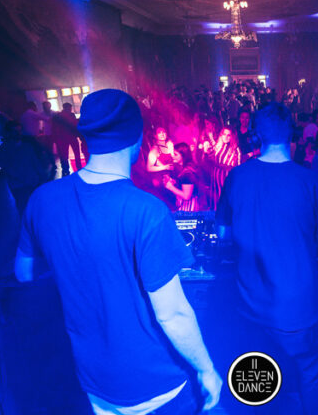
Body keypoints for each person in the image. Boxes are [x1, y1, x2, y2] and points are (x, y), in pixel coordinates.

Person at [14, 89, 222, 415]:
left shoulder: (42, 199)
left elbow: (24, 274)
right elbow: (173, 314)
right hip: (158, 387)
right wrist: (207, 369)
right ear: (138, 139)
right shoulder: (147, 211)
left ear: (85, 138)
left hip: (94, 383)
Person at [216, 102, 318, 415]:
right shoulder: (310, 180)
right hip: (300, 308)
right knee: (310, 376)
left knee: (258, 380)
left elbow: (222, 233)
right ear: (293, 136)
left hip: (252, 306)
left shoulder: (236, 176)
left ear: (256, 136)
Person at [164, 142, 203, 212]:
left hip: (188, 206)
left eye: (176, 154)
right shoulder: (187, 167)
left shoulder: (187, 173)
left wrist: (170, 187)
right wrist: (175, 182)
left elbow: (186, 196)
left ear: (183, 156)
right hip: (190, 204)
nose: (173, 156)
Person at [210, 127, 240, 209]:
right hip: (215, 180)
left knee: (226, 204)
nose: (226, 137)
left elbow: (237, 168)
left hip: (226, 181)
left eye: (228, 135)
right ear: (221, 135)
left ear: (232, 137)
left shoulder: (235, 150)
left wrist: (220, 165)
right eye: (224, 134)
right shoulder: (217, 147)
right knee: (216, 203)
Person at [52, 102, 83, 176]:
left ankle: (65, 170)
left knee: (64, 155)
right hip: (72, 136)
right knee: (77, 153)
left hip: (62, 138)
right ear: (69, 108)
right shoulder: (71, 115)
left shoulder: (57, 116)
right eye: (70, 108)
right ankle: (79, 167)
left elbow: (55, 128)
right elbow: (75, 124)